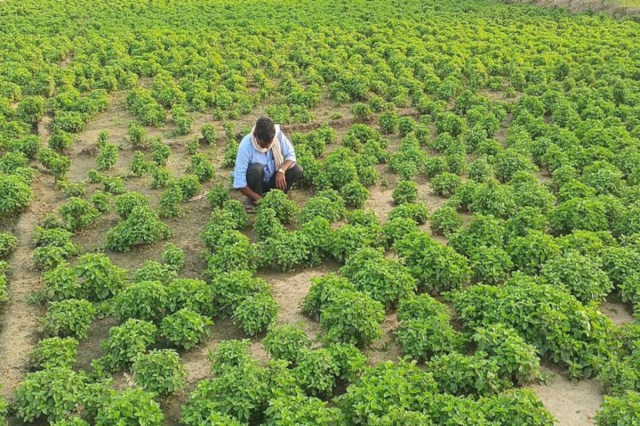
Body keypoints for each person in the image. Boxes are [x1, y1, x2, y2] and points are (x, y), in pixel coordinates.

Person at [233, 117, 303, 211]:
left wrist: (281, 170)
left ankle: (278, 197)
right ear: (255, 135)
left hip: (272, 179)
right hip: (257, 183)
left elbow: (291, 155)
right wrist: (261, 200)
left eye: (270, 143)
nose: (267, 147)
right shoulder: (246, 145)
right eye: (263, 144)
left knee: (297, 170)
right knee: (256, 168)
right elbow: (239, 183)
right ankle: (254, 200)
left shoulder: (276, 136)